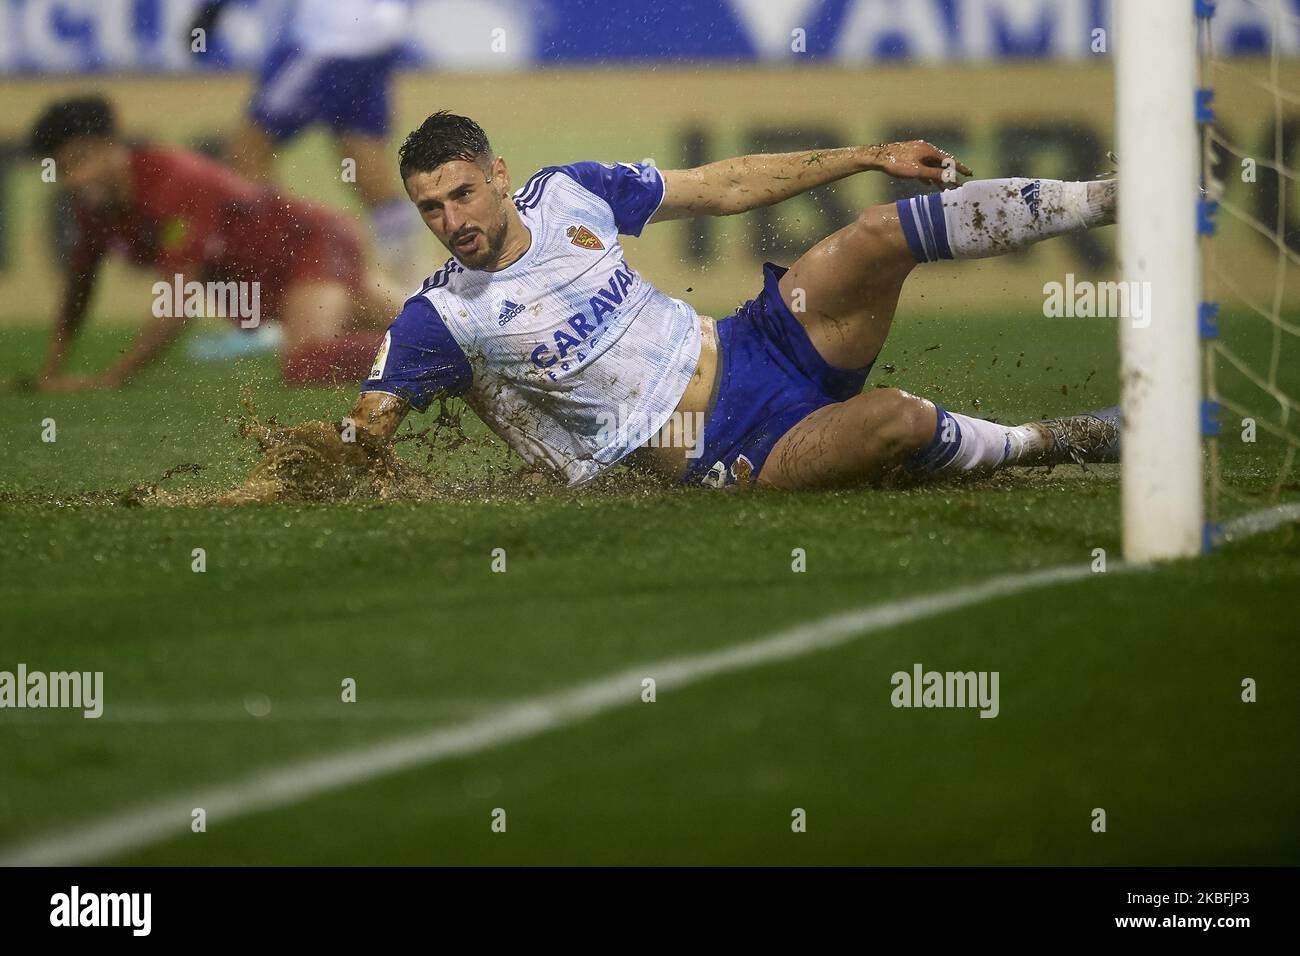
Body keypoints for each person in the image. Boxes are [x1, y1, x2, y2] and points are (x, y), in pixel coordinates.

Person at [345, 111, 1120, 491]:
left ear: (499, 174)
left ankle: (1110, 196)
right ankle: (1063, 439)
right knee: (899, 419)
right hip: (724, 448)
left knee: (882, 232)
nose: (454, 223)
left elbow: (723, 186)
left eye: (463, 194)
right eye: (432, 210)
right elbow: (359, 435)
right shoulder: (440, 316)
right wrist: (280, 480)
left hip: (759, 342)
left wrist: (867, 156)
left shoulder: (569, 194)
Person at [27, 95, 396, 392]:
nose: (75, 178)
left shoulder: (171, 180)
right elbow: (80, 286)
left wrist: (113, 378)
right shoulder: (94, 207)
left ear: (112, 145)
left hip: (311, 245)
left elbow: (179, 301)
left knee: (306, 360)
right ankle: (443, 343)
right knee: (424, 321)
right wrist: (51, 371)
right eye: (63, 170)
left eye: (81, 160)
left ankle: (432, 359)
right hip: (281, 277)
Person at [190, 0, 426, 288]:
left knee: (247, 152)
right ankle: (417, 296)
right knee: (370, 176)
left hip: (328, 37)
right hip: (373, 38)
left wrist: (211, 10)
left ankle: (277, 293)